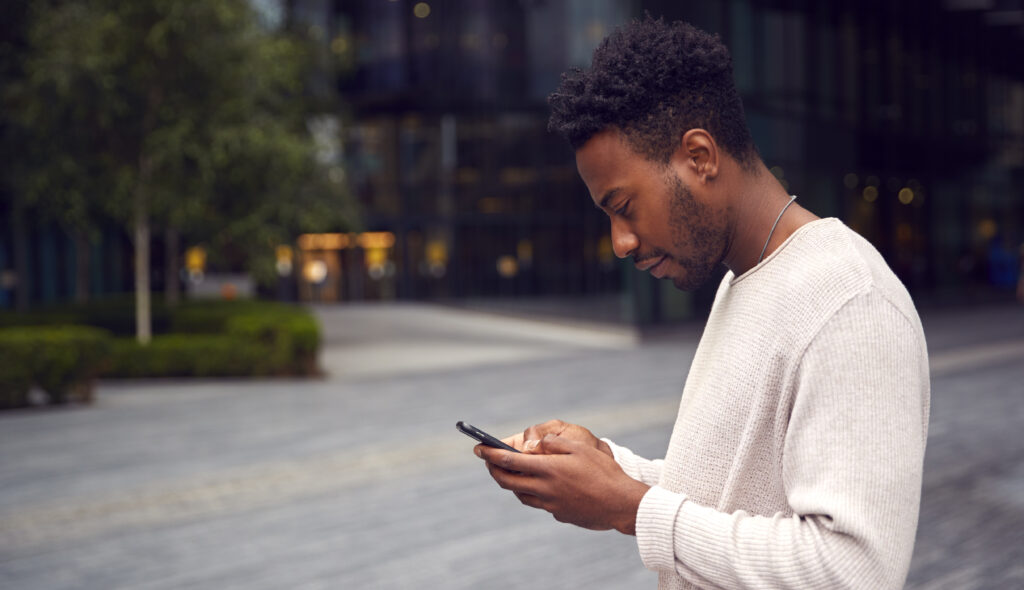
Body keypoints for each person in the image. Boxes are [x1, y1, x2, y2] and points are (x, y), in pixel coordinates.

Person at [474, 16, 930, 590]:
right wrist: (611, 471)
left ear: (700, 156)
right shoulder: (743, 281)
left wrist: (631, 507)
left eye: (625, 206)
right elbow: (732, 495)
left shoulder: (851, 304)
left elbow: (851, 569)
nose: (620, 242)